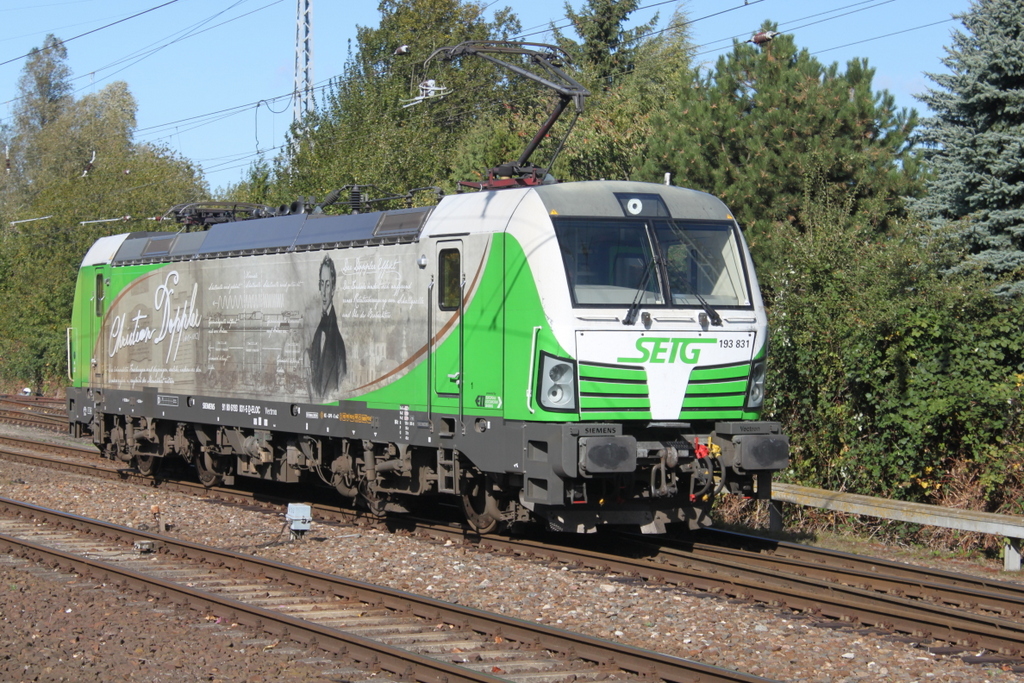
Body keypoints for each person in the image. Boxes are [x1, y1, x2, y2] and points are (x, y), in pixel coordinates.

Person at [309, 254, 346, 400]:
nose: (324, 292)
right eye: (322, 284)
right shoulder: (318, 333)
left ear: (333, 288)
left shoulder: (338, 345)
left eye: (328, 285)